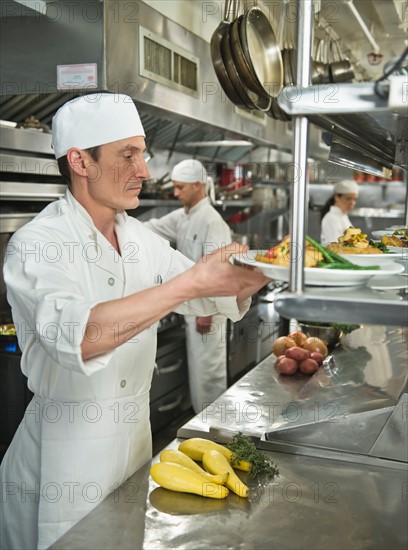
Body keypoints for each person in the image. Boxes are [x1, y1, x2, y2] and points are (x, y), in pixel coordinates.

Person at [0, 93, 269, 550]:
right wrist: (192, 283)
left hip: (135, 439)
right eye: (129, 154)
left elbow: (207, 294)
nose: (143, 170)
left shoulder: (137, 236)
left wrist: (269, 269)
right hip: (68, 452)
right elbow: (80, 335)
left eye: (142, 153)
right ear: (80, 161)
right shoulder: (37, 244)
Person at [145, 159, 231, 414]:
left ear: (197, 185)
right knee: (197, 371)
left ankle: (215, 430)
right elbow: (151, 228)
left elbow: (218, 269)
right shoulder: (184, 217)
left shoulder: (211, 221)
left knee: (208, 374)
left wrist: (207, 310)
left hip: (208, 311)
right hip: (193, 306)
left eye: (180, 187)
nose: (175, 193)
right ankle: (201, 425)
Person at [320, 180, 359, 244]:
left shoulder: (343, 216)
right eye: (348, 198)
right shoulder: (332, 218)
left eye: (355, 199)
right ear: (336, 197)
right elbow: (334, 247)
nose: (352, 203)